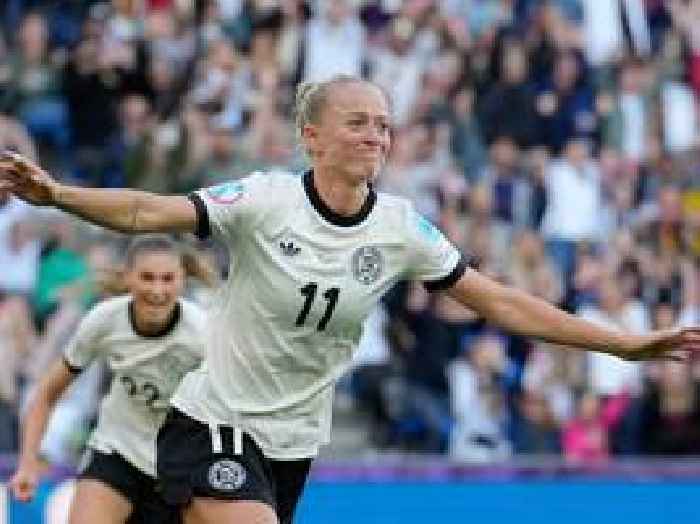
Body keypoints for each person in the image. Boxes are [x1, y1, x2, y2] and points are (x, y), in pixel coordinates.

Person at [2, 75, 700, 524]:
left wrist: (622, 344)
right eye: (359, 123)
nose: (376, 137)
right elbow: (147, 211)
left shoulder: (400, 229)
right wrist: (57, 194)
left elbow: (502, 303)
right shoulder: (264, 201)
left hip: (293, 444)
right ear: (312, 137)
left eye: (384, 125)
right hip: (214, 422)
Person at [9, 235, 216, 524]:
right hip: (116, 452)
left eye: (168, 279)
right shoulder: (103, 321)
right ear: (128, 278)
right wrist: (27, 463)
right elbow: (46, 393)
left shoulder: (203, 334)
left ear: (182, 281)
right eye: (147, 278)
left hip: (178, 466)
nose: (158, 290)